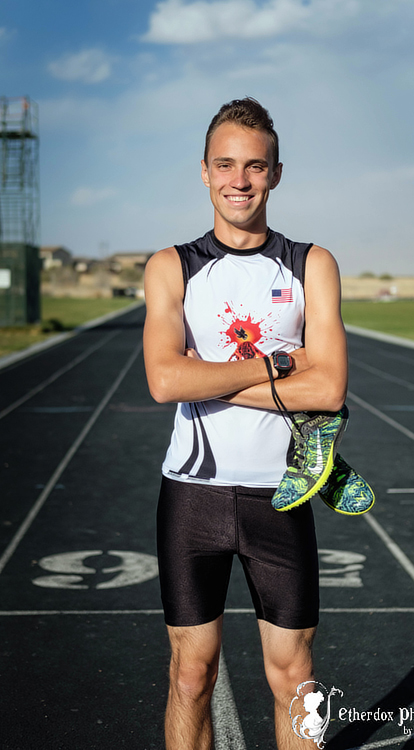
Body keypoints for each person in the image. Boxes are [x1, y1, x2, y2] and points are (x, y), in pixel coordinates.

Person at [143, 97, 348, 750]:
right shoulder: (170, 266)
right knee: (190, 675)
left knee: (295, 678)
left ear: (276, 174)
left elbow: (332, 386)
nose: (240, 180)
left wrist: (212, 372)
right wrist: (284, 367)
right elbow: (164, 380)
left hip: (281, 495)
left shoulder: (312, 263)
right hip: (193, 495)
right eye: (226, 165)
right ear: (204, 171)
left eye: (255, 167)